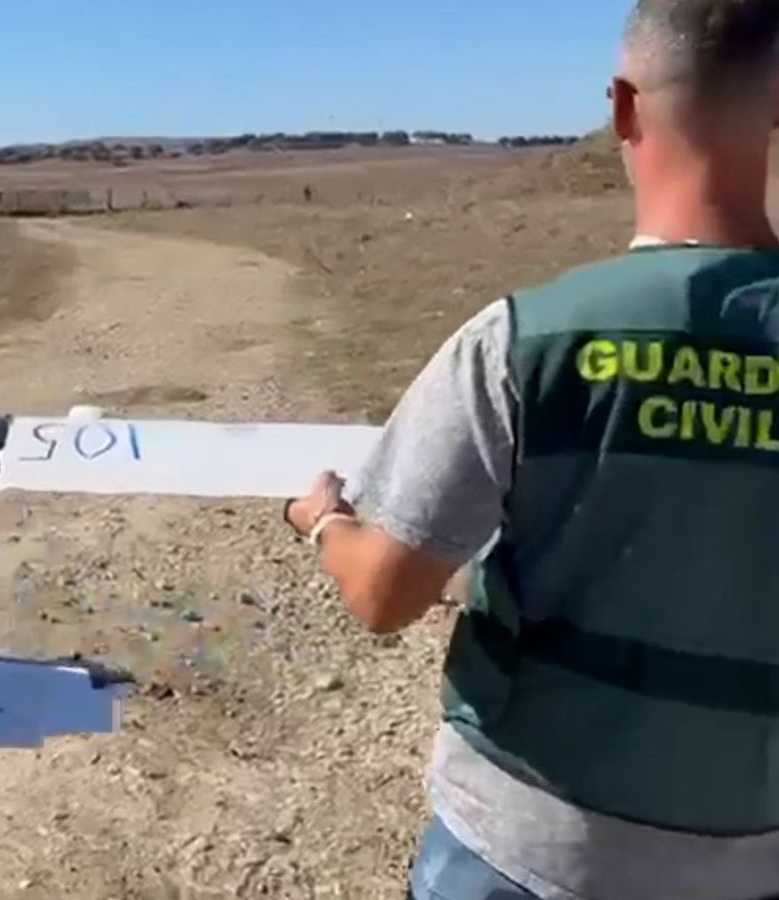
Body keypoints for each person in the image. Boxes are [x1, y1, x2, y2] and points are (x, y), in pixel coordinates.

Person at [283, 1, 779, 898]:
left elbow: (383, 594)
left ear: (623, 109)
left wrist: (323, 523)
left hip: (524, 853)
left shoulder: (524, 341)